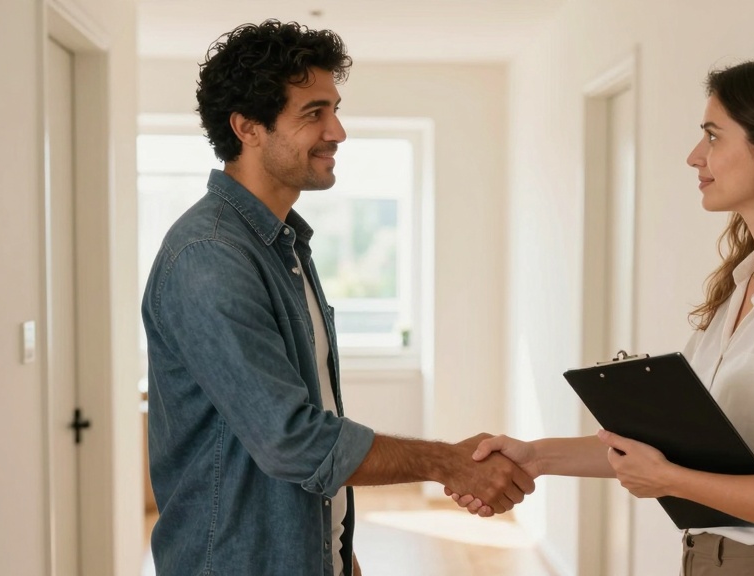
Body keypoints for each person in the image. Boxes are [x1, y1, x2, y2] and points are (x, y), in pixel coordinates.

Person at [449, 53, 754, 575]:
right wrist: (537, 456)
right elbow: (669, 450)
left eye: (713, 136)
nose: (695, 156)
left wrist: (671, 481)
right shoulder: (742, 290)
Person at [141, 20, 533, 576]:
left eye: (335, 108)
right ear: (247, 127)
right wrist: (448, 462)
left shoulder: (283, 244)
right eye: (313, 113)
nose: (338, 131)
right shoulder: (210, 256)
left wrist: (335, 552)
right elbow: (292, 440)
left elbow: (308, 422)